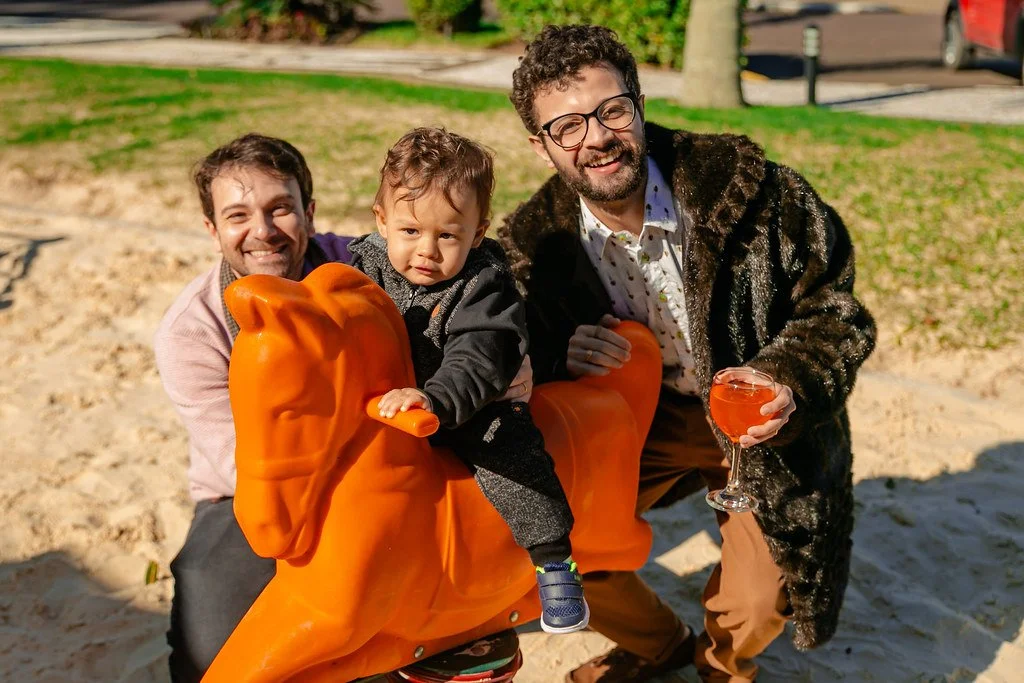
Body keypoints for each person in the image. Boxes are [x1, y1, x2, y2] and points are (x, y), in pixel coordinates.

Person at [498, 25, 877, 683]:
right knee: (543, 537)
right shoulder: (535, 248)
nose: (596, 137)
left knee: (759, 601)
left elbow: (836, 313)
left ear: (639, 104)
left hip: (760, 426)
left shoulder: (755, 192)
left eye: (612, 110)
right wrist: (559, 355)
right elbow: (510, 354)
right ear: (541, 145)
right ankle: (658, 644)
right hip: (638, 423)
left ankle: (719, 662)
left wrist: (786, 379)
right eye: (567, 126)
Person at [153, 132, 534, 681]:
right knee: (211, 652)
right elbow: (242, 460)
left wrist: (512, 361)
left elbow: (470, 311)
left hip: (392, 466)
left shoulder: (366, 269)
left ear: (308, 212)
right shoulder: (191, 332)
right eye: (237, 215)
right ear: (212, 229)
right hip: (255, 492)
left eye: (279, 208)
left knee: (397, 609)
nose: (262, 231)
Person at [347, 127, 588, 635]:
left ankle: (553, 559)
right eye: (410, 231)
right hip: (388, 401)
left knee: (511, 457)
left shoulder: (483, 285)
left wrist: (434, 398)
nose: (427, 251)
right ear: (382, 220)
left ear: (477, 234)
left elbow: (478, 357)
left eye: (447, 236)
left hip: (470, 402)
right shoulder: (364, 264)